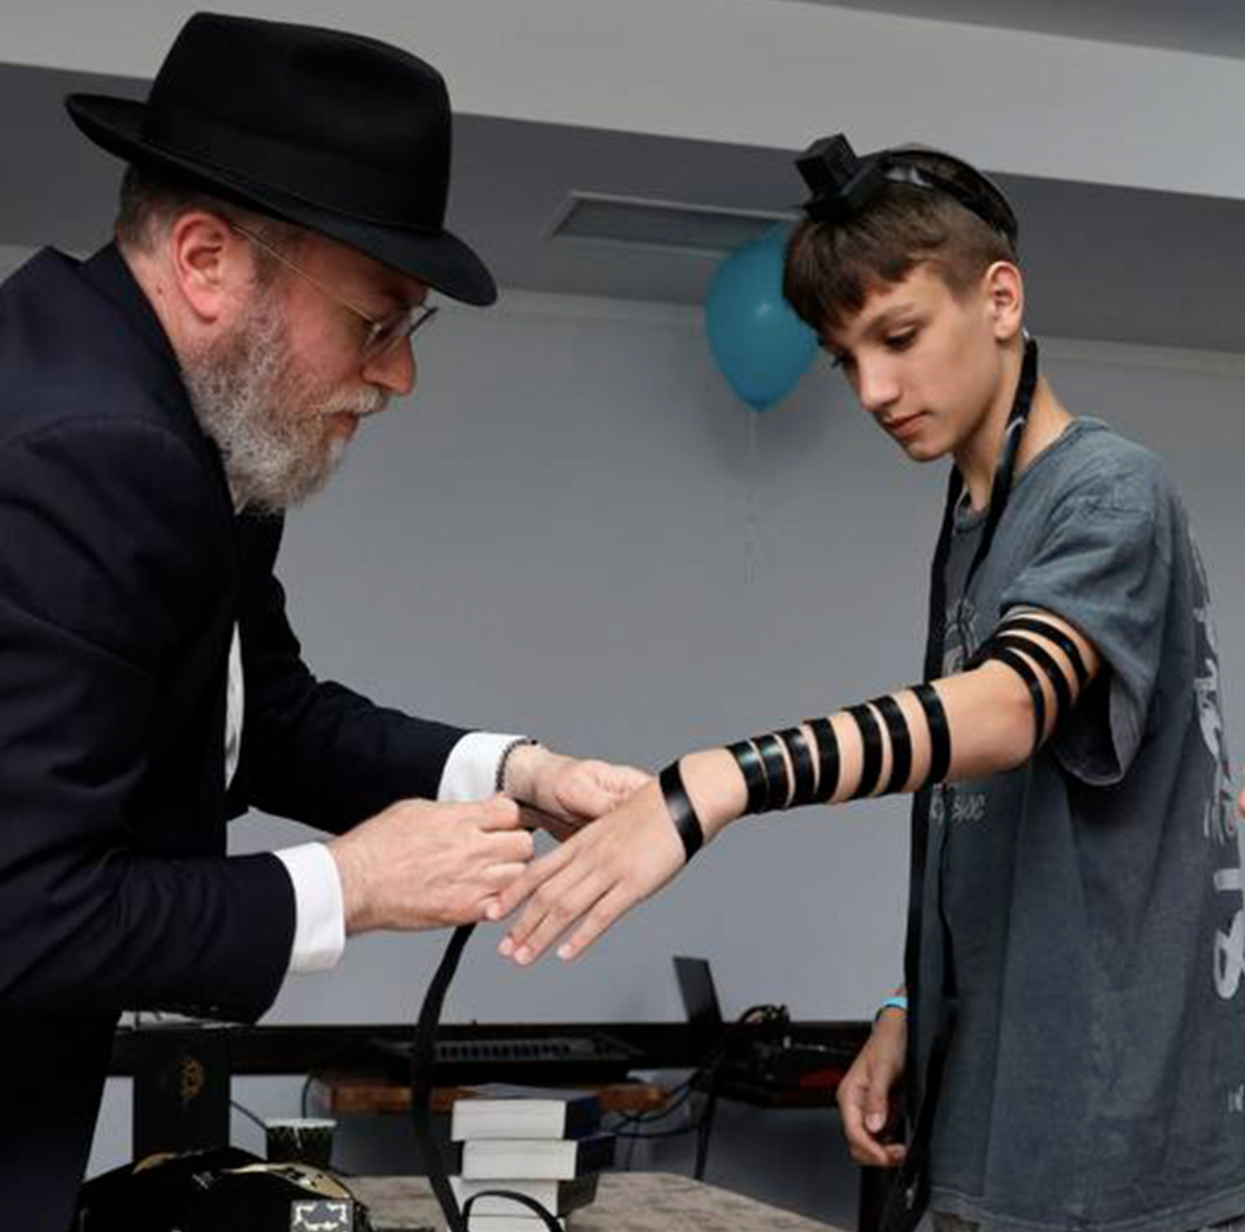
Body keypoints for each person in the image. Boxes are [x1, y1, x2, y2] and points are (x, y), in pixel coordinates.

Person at [0, 15, 645, 1232]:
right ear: (206, 260)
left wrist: (515, 770)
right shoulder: (69, 454)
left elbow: (266, 719)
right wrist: (353, 882)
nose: (399, 375)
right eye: (375, 321)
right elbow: (26, 921)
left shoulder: (174, 434)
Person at [491, 135, 1245, 1232]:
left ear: (999, 299)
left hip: (1115, 1158)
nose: (873, 390)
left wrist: (720, 781)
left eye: (897, 337)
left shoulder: (1110, 489)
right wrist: (911, 1002)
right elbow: (995, 822)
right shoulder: (975, 521)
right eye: (844, 359)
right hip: (989, 1127)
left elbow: (1008, 707)